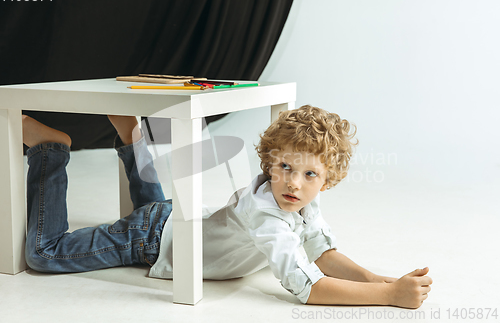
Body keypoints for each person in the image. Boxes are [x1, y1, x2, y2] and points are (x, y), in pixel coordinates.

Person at [22, 105, 432, 309]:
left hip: (174, 216)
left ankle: (133, 138)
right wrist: (388, 297)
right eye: (285, 168)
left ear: (327, 181)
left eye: (309, 175)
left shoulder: (301, 199)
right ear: (269, 162)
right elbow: (308, 287)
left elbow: (321, 252)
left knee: (158, 209)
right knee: (44, 253)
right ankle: (50, 149)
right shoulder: (266, 213)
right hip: (149, 239)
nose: (293, 182)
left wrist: (379, 280)